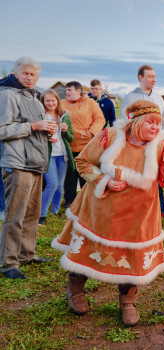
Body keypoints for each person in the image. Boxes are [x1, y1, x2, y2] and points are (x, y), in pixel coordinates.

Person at [50, 100, 164, 326]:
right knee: (88, 249)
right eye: (150, 122)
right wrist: (103, 180)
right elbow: (83, 162)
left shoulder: (161, 147)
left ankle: (128, 301)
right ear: (135, 122)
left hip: (139, 214)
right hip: (100, 210)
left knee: (132, 256)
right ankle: (75, 288)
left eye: (158, 123)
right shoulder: (110, 137)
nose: (155, 127)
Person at [0, 57, 58, 279]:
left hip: (35, 163)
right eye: (24, 73)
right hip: (17, 163)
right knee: (15, 215)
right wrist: (34, 126)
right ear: (15, 73)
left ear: (38, 76)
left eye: (32, 74)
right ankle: (8, 262)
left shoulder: (35, 98)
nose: (28, 77)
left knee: (32, 213)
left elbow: (36, 129)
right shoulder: (7, 95)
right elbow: (2, 129)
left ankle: (26, 254)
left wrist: (48, 133)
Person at [61, 81, 105, 207]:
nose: (67, 92)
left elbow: (100, 119)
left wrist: (91, 133)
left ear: (78, 91)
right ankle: (69, 201)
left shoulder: (90, 103)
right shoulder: (62, 103)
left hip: (85, 145)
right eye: (66, 90)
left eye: (70, 90)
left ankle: (86, 201)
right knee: (69, 175)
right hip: (68, 145)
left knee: (84, 174)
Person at [39, 89, 75, 225]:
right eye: (47, 100)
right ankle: (41, 214)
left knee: (60, 185)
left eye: (53, 100)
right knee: (52, 184)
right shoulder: (41, 116)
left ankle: (54, 211)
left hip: (62, 155)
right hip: (48, 155)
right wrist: (47, 138)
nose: (50, 103)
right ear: (43, 102)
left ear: (57, 101)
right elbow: (35, 137)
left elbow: (71, 138)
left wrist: (65, 131)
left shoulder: (64, 116)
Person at [120, 65, 164, 136]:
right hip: (136, 144)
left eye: (154, 77)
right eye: (150, 77)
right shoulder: (129, 98)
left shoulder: (159, 99)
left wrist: (163, 137)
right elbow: (123, 122)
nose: (154, 80)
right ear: (141, 78)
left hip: (156, 144)